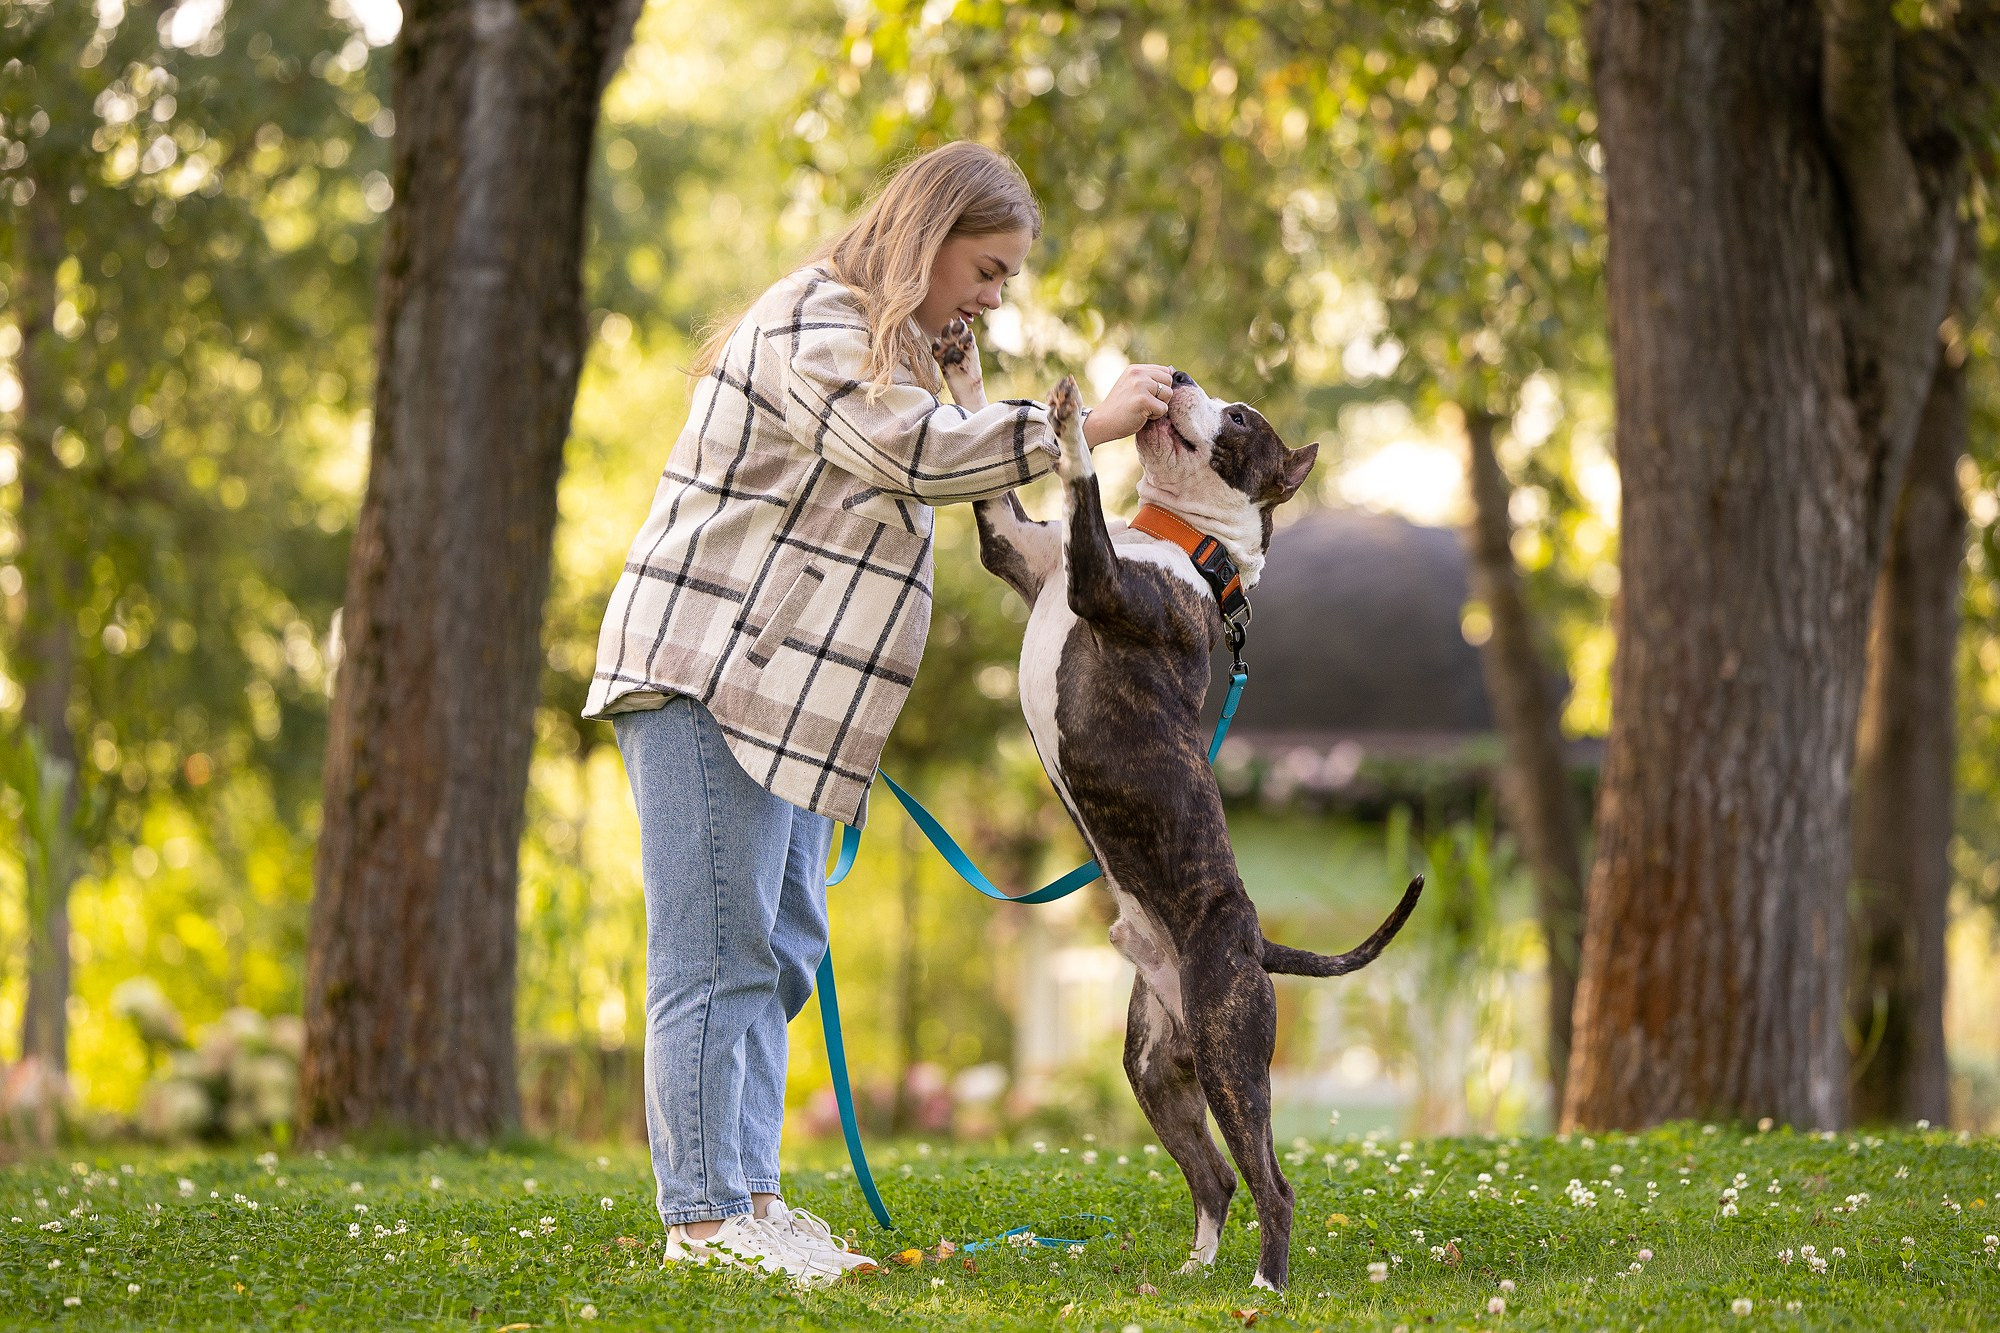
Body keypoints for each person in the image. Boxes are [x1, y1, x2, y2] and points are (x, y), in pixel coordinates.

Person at [583, 141, 1172, 1286]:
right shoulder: (815, 317)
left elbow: (970, 481)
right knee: (716, 951)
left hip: (792, 698)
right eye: (987, 269)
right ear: (928, 233)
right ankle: (704, 1222)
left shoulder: (903, 351)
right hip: (709, 670)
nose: (996, 296)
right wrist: (1077, 425)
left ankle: (750, 1198)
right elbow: (899, 452)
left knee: (780, 947)